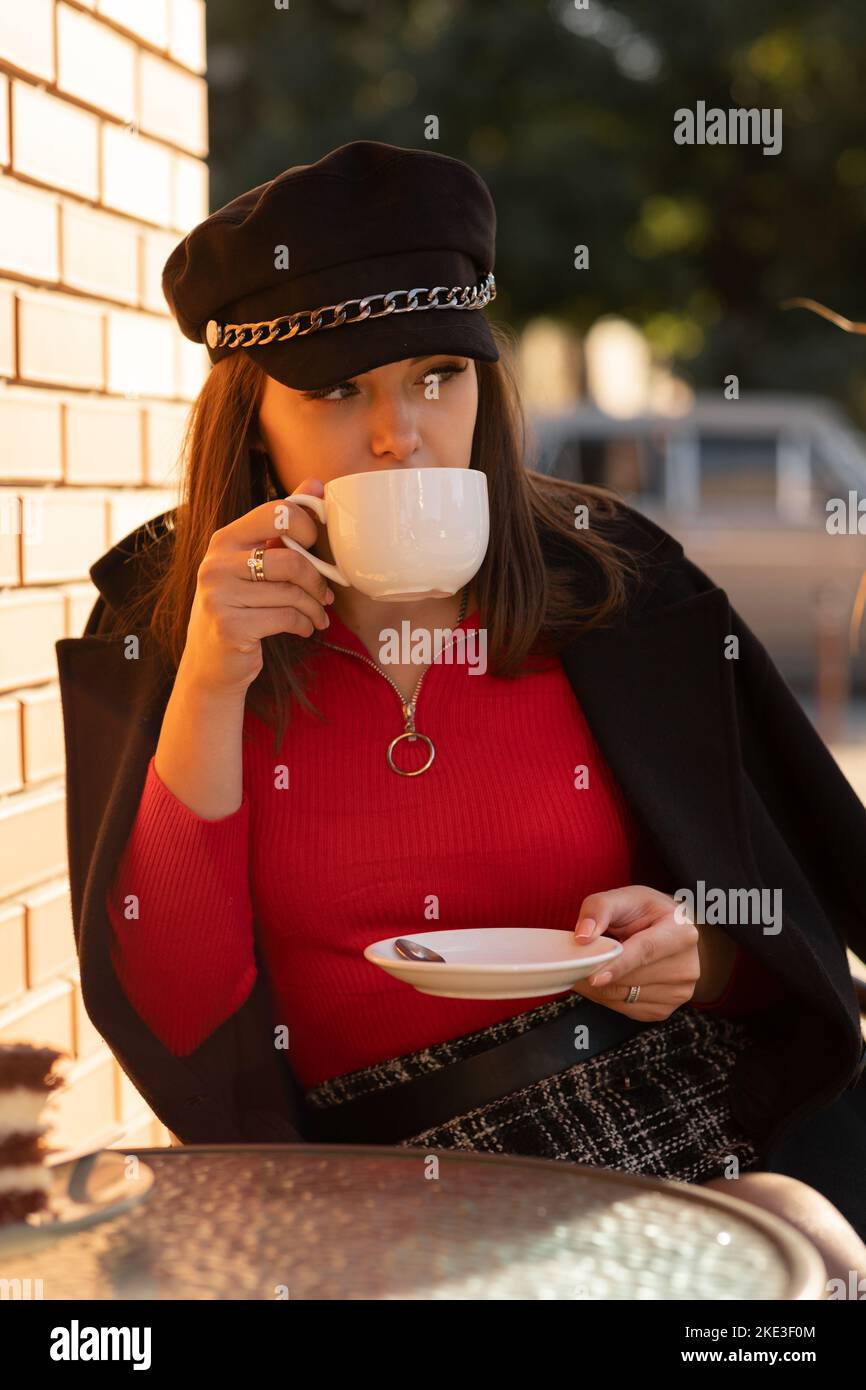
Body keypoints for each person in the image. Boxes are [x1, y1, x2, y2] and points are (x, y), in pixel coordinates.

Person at [57, 140, 866, 1284]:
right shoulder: (161, 622)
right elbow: (179, 1017)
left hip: (661, 1112)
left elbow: (785, 935)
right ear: (253, 419)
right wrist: (209, 674)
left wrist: (692, 958)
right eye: (338, 391)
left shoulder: (617, 587)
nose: (401, 432)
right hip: (372, 1183)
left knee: (801, 1245)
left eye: (438, 373)